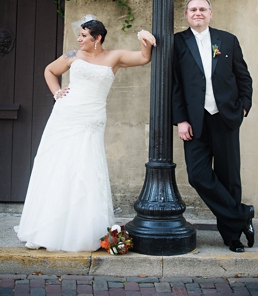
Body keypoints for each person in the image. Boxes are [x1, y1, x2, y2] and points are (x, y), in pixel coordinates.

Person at [16, 17, 157, 251]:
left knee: (86, 168)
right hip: (65, 115)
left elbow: (144, 57)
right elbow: (50, 71)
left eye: (83, 35)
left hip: (92, 118)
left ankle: (79, 230)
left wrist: (144, 37)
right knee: (57, 166)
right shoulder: (73, 55)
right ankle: (46, 228)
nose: (79, 39)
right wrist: (57, 92)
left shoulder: (115, 57)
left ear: (97, 38)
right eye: (79, 35)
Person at [172, 0, 255, 253]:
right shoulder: (177, 42)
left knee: (229, 177)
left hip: (225, 117)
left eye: (203, 9)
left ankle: (232, 237)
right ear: (186, 15)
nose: (198, 13)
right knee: (198, 175)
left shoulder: (227, 39)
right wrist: (181, 120)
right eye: (193, 9)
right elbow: (174, 84)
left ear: (211, 13)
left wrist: (243, 106)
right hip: (194, 121)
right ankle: (242, 215)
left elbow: (243, 76)